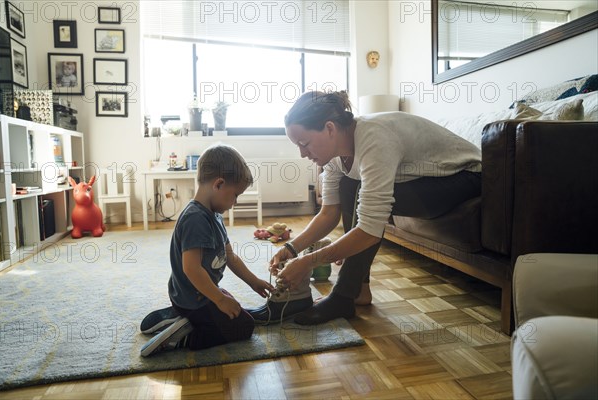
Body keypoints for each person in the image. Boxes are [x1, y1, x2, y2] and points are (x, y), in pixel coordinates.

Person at [272, 91, 482, 325]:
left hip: (464, 177)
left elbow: (370, 229)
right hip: (422, 180)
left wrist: (309, 261)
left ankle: (343, 295)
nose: (302, 153)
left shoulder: (374, 137)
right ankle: (359, 290)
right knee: (351, 185)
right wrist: (292, 248)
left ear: (330, 128)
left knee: (363, 195)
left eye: (305, 143)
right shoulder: (332, 157)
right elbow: (329, 213)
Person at [141, 144, 274, 357]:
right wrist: (219, 300)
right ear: (219, 184)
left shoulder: (214, 215)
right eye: (235, 195)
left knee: (235, 308)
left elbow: (230, 257)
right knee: (243, 327)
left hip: (195, 294)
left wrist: (253, 281)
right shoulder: (196, 219)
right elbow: (191, 269)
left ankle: (178, 315)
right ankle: (183, 336)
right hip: (193, 299)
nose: (235, 202)